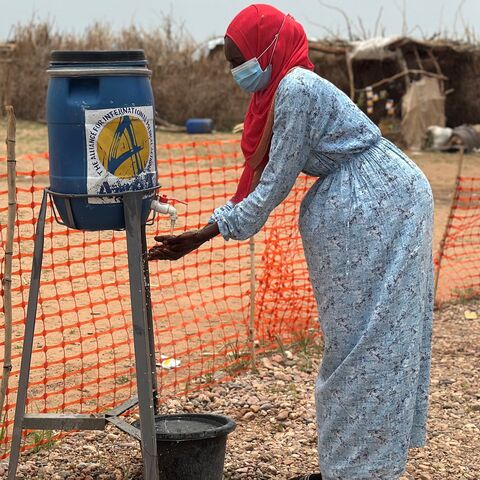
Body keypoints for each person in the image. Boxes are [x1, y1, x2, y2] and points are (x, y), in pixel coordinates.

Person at [148, 4, 434, 479]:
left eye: (239, 58)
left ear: (270, 48)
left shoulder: (296, 87)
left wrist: (203, 234)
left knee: (372, 341)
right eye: (229, 61)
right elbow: (266, 176)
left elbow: (274, 183)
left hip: (384, 204)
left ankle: (362, 470)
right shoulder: (277, 92)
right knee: (357, 341)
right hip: (364, 201)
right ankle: (352, 466)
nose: (236, 70)